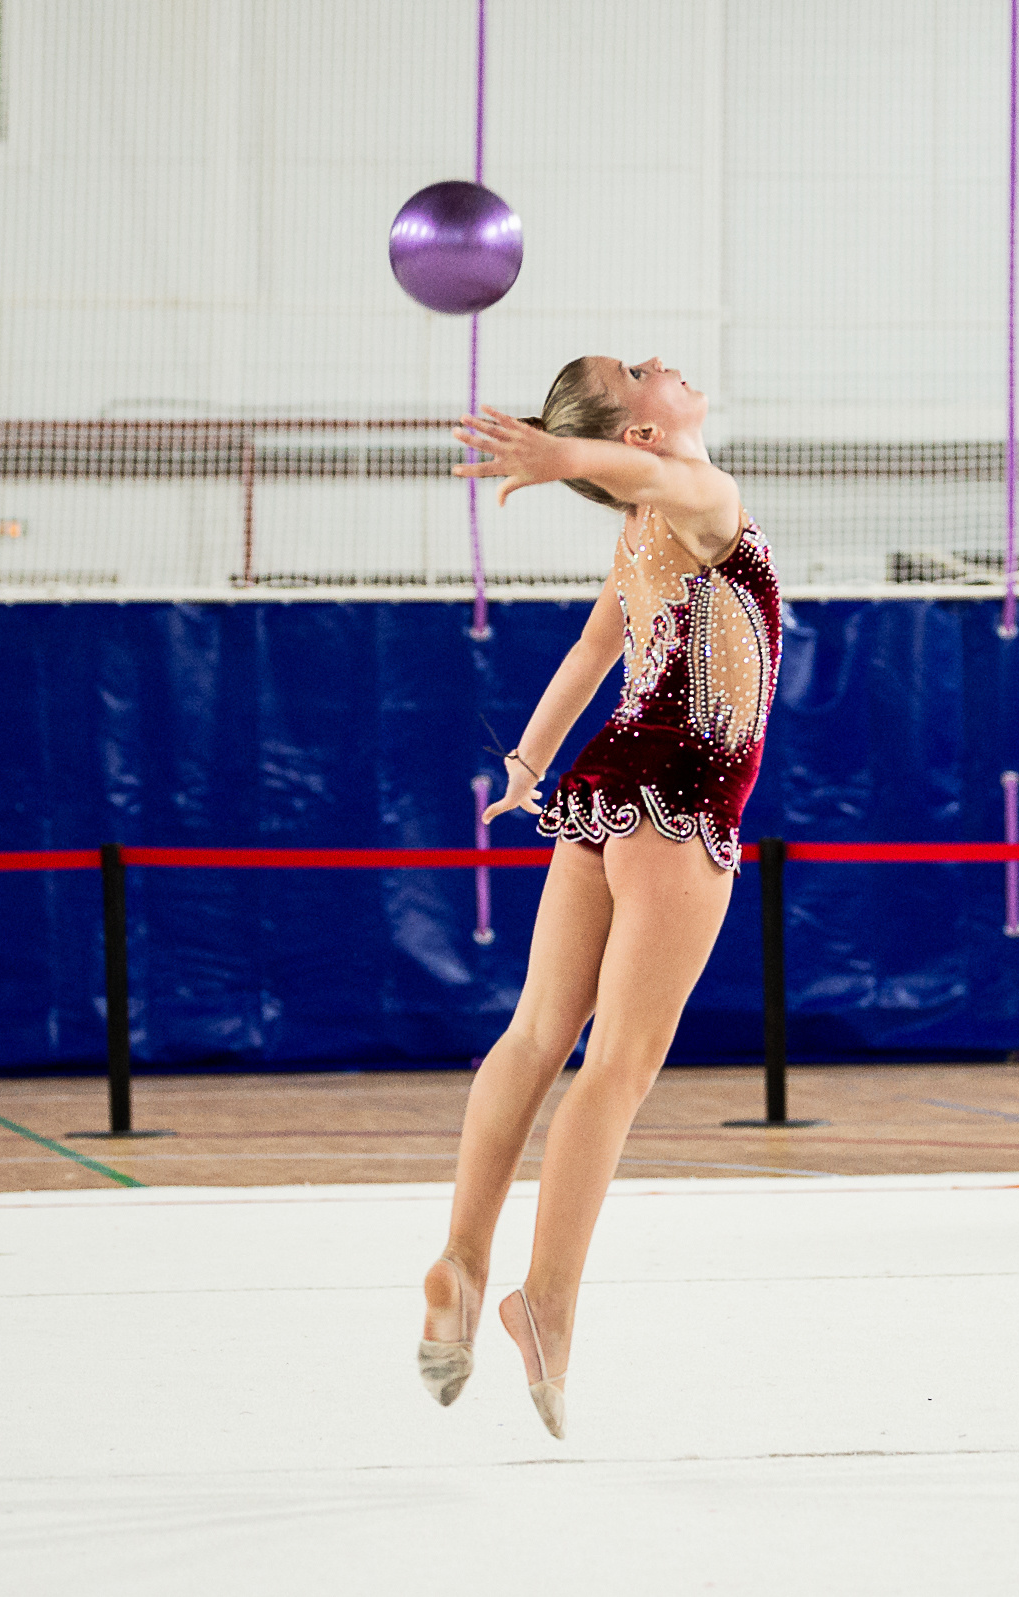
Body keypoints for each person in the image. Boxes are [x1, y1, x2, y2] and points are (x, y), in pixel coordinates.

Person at [417, 356, 780, 1439]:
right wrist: (559, 453)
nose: (662, 361)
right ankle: (546, 1304)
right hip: (678, 802)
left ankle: (460, 1262)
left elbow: (592, 648)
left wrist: (530, 762)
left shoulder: (638, 531)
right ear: (645, 438)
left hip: (604, 788)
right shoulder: (705, 499)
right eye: (637, 373)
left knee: (535, 1037)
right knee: (616, 1065)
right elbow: (626, 490)